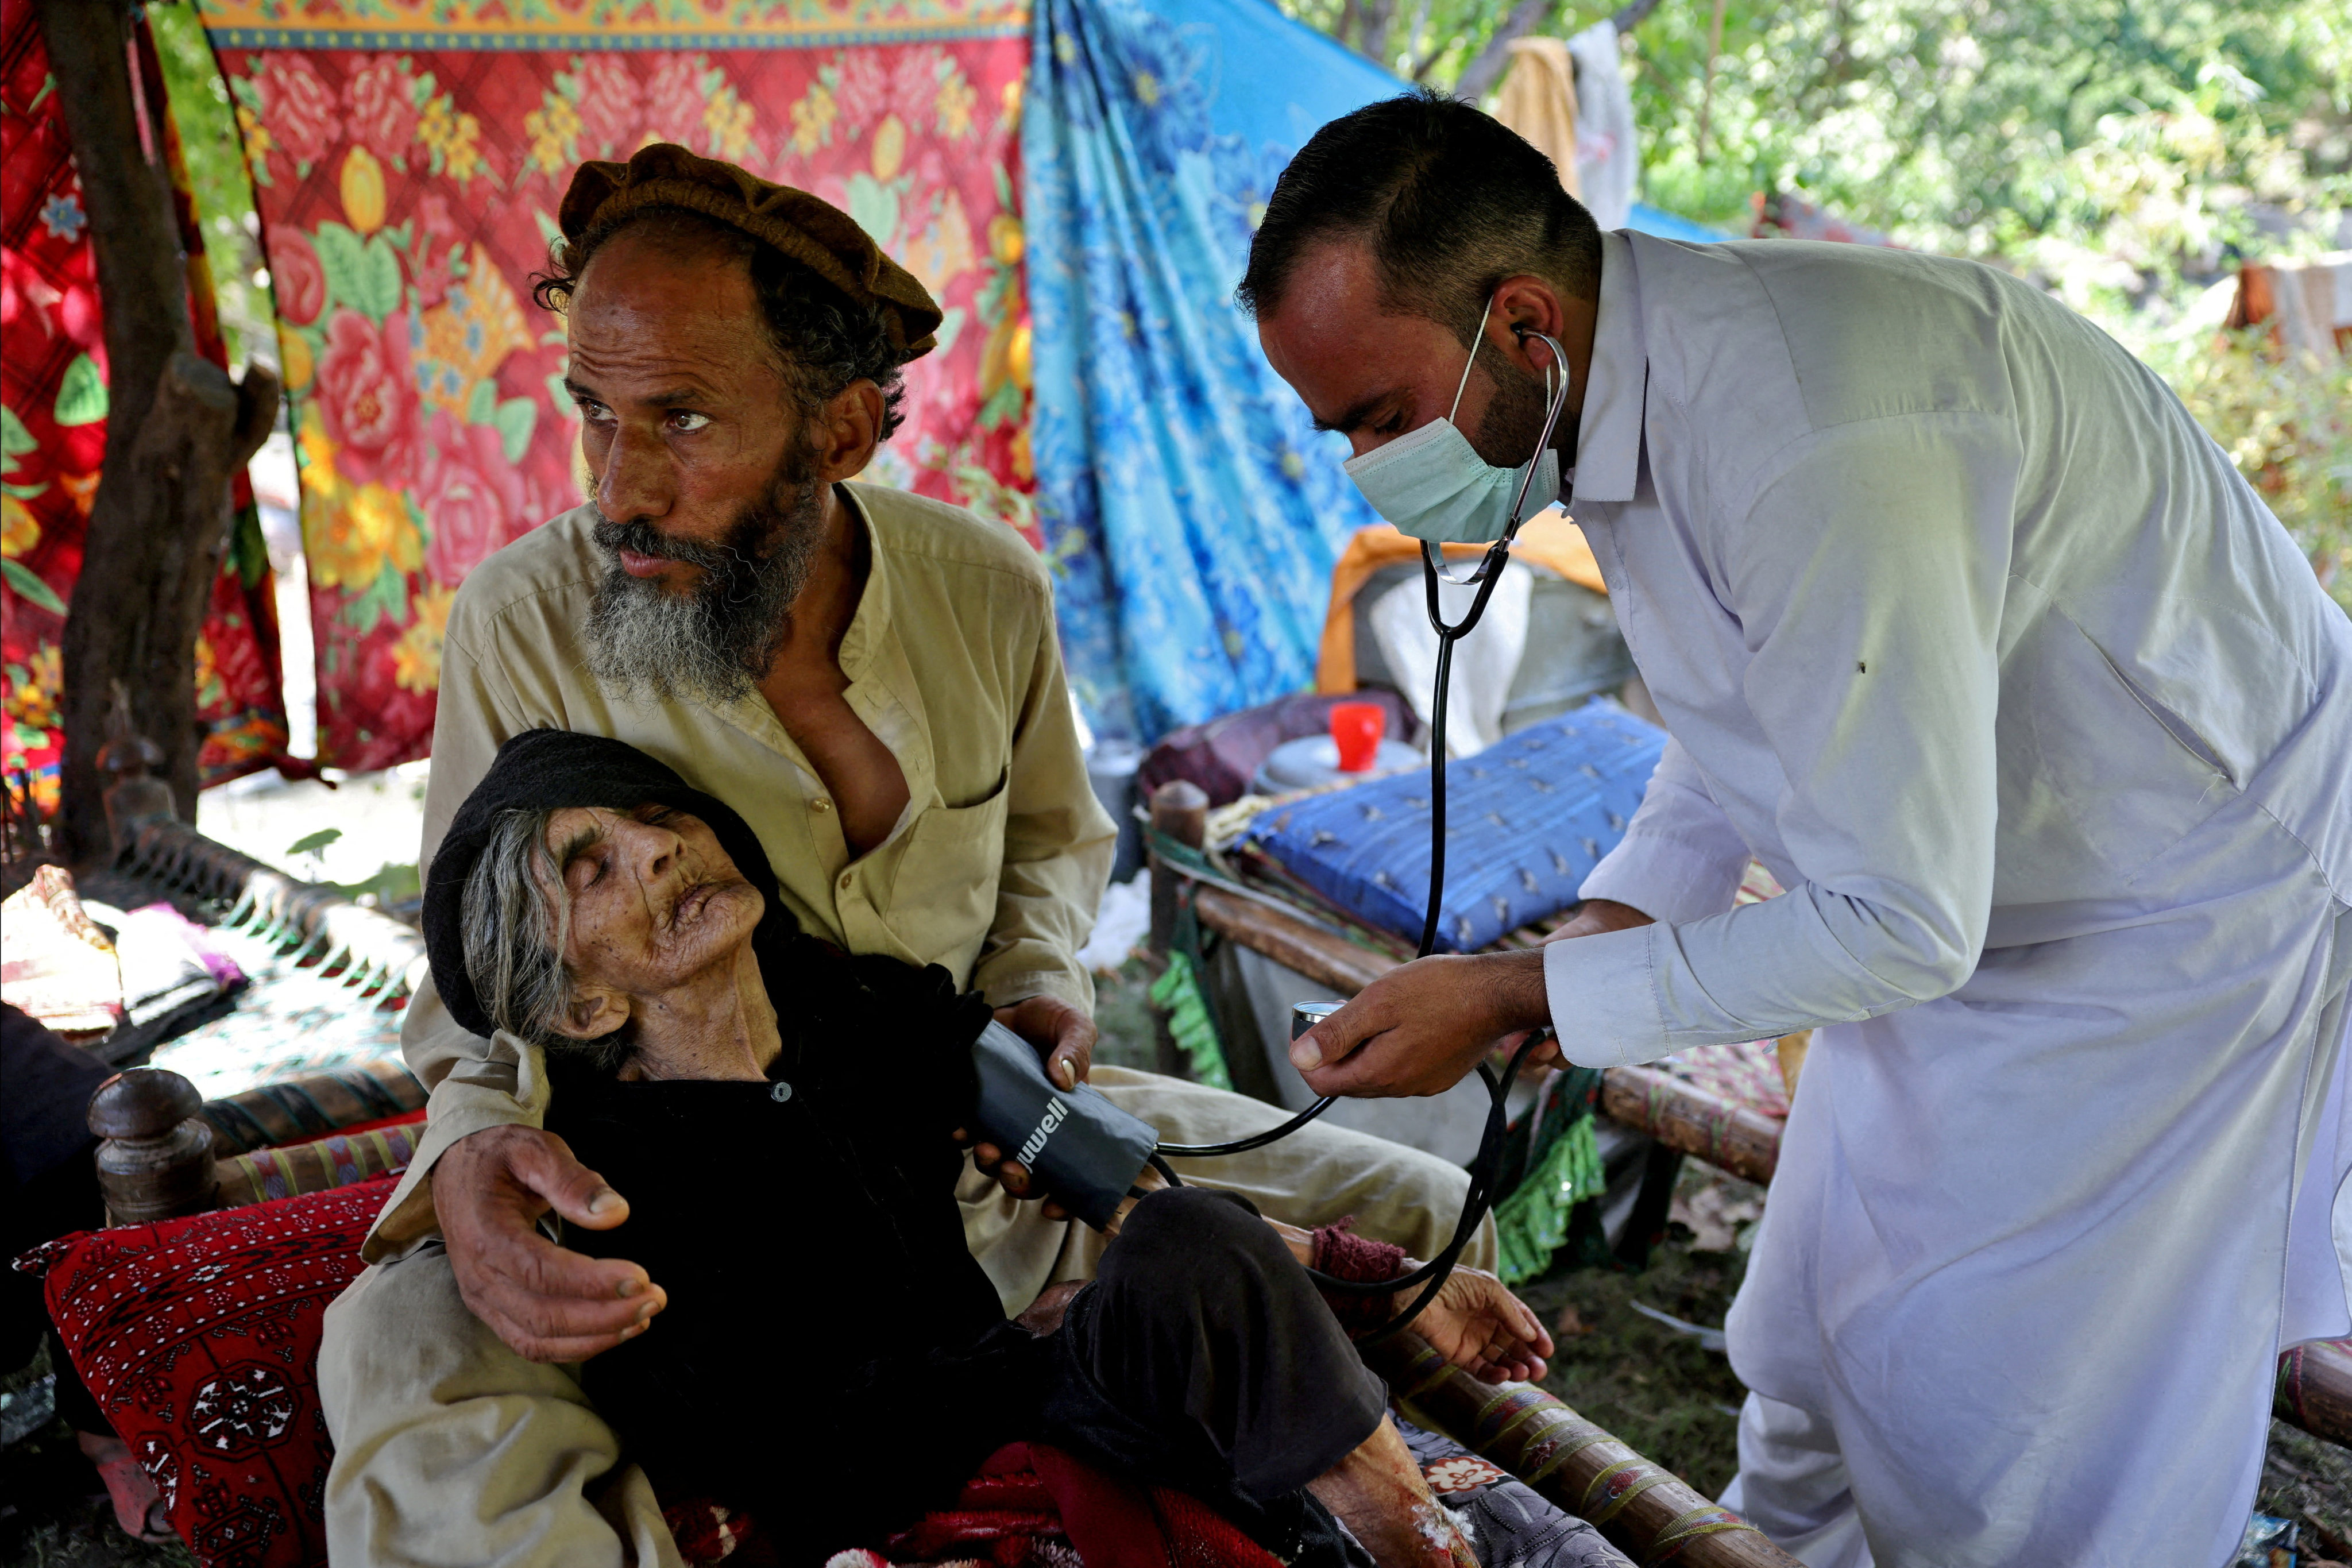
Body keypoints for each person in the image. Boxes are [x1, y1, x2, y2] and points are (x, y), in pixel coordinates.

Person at [1240, 90, 2352, 1568]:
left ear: (1520, 323)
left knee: (2026, 1444)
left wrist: (1522, 994)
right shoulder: (1621, 388)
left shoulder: (1813, 427)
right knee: (1816, 1359)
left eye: (1377, 417)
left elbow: (1906, 915)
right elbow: (1755, 709)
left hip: (2172, 923)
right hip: (1959, 897)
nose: (1365, 465)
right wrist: (1618, 921)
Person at [368, 143, 1498, 1366]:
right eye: (595, 411)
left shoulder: (987, 591)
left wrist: (1034, 976)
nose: (617, 486)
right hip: (690, 1192)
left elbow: (1051, 844)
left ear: (840, 431)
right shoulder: (526, 622)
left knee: (1432, 1219)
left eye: (682, 420)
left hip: (989, 1145)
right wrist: (474, 1162)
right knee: (408, 1373)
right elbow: (478, 986)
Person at [319, 729, 1552, 1567]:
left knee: (1184, 1233)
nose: (655, 849)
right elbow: (770, 1455)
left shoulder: (867, 1016)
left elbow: (1098, 1167)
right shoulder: (611, 1181)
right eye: (593, 870)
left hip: (1033, 1397)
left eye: (653, 818)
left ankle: (1415, 1549)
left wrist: (1375, 1275)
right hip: (877, 1482)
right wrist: (1031, 1349)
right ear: (581, 1004)